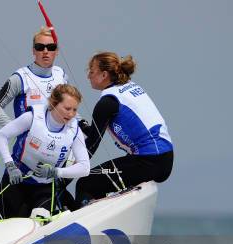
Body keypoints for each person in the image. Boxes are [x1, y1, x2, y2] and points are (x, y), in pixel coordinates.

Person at [0, 26, 76, 209]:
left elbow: (69, 105)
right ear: (33, 50)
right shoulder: (20, 78)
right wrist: (19, 129)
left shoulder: (61, 75)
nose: (45, 52)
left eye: (51, 47)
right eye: (40, 47)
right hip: (23, 159)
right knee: (0, 219)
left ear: (56, 51)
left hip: (51, 159)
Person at [75, 52, 174, 206]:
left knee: (85, 184)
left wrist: (62, 175)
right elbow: (95, 132)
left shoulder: (107, 102)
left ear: (104, 75)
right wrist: (79, 122)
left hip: (148, 163)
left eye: (91, 71)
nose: (88, 76)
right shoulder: (129, 87)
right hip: (163, 158)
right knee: (98, 180)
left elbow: (91, 147)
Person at [0, 84, 90, 221]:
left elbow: (85, 167)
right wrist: (10, 165)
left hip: (45, 188)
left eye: (74, 110)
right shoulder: (32, 117)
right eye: (67, 108)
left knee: (38, 221)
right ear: (53, 104)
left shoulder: (74, 130)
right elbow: (1, 136)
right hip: (17, 180)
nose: (71, 114)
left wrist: (56, 172)